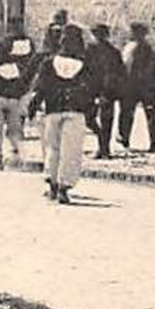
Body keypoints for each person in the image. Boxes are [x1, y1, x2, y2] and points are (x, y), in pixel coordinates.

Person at [27, 24, 97, 204]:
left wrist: (32, 109)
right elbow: (91, 92)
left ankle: (52, 184)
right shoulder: (85, 66)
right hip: (75, 112)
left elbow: (40, 89)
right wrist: (92, 117)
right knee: (71, 150)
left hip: (53, 111)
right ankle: (64, 188)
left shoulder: (49, 63)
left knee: (53, 148)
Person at [0, 26, 37, 170]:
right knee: (14, 131)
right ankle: (19, 156)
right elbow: (23, 84)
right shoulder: (19, 68)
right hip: (14, 101)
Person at [118, 22, 155, 153]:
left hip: (144, 86)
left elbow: (149, 68)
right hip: (130, 85)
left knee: (151, 114)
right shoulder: (128, 47)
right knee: (127, 113)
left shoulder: (146, 48)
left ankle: (154, 141)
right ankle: (124, 138)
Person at [86, 21, 123, 159]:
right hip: (92, 89)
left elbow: (119, 72)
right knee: (88, 118)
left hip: (108, 90)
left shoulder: (114, 52)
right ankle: (102, 141)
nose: (98, 37)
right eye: (96, 34)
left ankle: (104, 148)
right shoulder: (89, 50)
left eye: (101, 34)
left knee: (106, 120)